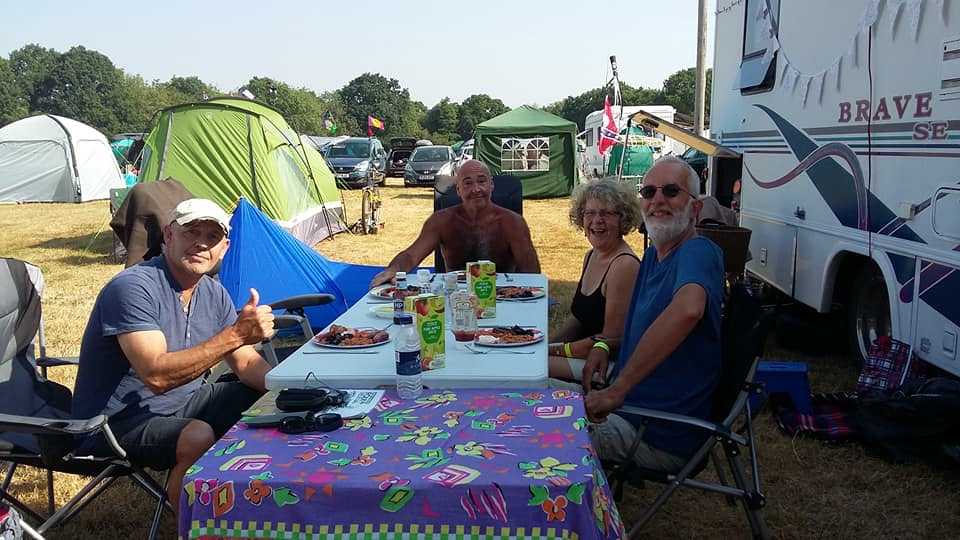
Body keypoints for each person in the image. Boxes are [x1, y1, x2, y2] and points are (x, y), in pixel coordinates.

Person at [71, 198, 276, 513]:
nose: (201, 244)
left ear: (224, 248)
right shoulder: (132, 288)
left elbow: (246, 362)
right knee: (197, 435)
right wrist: (236, 333)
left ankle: (258, 503)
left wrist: (289, 390)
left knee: (264, 403)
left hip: (182, 404)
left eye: (212, 237)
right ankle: (189, 526)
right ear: (168, 235)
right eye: (191, 232)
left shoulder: (212, 292)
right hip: (111, 423)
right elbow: (156, 375)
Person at [564, 156, 724, 473]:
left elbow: (688, 311)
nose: (657, 200)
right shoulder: (652, 256)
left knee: (534, 428)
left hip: (656, 431)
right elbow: (634, 333)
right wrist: (604, 346)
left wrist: (617, 389)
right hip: (629, 409)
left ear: (695, 208)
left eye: (671, 191)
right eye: (649, 192)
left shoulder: (698, 251)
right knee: (525, 395)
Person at [370, 160, 541, 287]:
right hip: (454, 298)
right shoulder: (441, 221)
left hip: (501, 298)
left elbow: (532, 274)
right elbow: (411, 255)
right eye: (467, 183)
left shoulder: (512, 222)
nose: (476, 189)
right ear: (458, 190)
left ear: (491, 185)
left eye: (482, 181)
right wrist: (393, 270)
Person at [547, 179, 641, 383]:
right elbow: (579, 318)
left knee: (528, 368)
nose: (597, 220)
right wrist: (545, 344)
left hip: (606, 366)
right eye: (590, 213)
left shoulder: (623, 265)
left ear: (623, 219)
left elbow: (609, 340)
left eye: (607, 213)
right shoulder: (591, 256)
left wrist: (553, 351)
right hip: (582, 355)